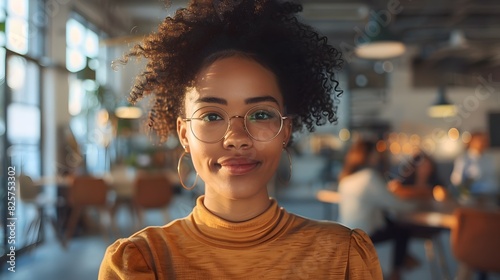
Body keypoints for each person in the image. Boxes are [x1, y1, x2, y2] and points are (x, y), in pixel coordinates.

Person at [98, 1, 383, 279]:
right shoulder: (142, 262)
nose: (236, 139)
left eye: (260, 114)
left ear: (285, 130)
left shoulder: (342, 257)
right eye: (211, 116)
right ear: (184, 134)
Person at [338, 140, 415, 280]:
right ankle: (396, 272)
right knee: (403, 231)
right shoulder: (369, 177)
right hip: (364, 234)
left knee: (392, 224)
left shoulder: (345, 178)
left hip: (346, 233)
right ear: (367, 155)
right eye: (375, 153)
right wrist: (416, 206)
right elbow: (393, 203)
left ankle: (404, 260)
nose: (378, 156)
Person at [450, 131, 499, 197]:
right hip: (473, 196)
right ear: (471, 141)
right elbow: (456, 180)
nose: (482, 143)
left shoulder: (489, 158)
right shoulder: (463, 159)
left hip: (492, 195)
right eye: (479, 140)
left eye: (484, 140)